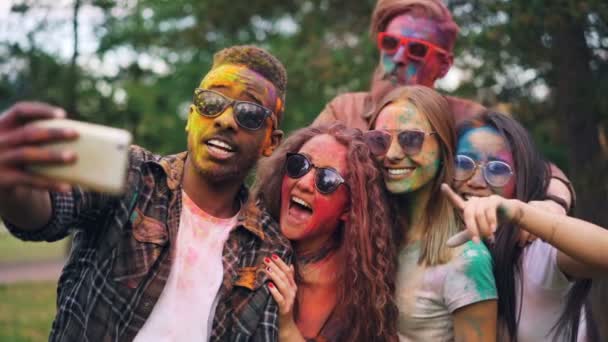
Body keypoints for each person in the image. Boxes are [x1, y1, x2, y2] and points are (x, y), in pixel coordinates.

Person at [0, 45, 292, 341]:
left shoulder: (269, 249)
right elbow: (45, 212)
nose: (225, 120)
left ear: (271, 142)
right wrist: (12, 189)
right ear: (191, 117)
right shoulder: (131, 174)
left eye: (250, 113)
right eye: (211, 101)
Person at [313, 0, 574, 216]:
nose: (400, 58)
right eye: (391, 44)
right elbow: (297, 168)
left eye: (416, 49)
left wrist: (553, 204)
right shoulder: (343, 110)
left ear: (444, 66)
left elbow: (541, 171)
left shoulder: (467, 118)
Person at [442, 111, 607, 341]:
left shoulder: (535, 251)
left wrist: (519, 213)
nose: (476, 181)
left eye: (498, 169)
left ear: (521, 179)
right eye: (463, 163)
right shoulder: (435, 246)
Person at [365, 85, 497, 341]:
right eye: (379, 140)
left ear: (443, 148)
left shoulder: (467, 259)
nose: (391, 154)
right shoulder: (371, 239)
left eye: (411, 139)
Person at [252, 123, 399, 341]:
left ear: (349, 208)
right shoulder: (248, 239)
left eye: (326, 180)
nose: (303, 183)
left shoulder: (359, 292)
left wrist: (286, 326)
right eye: (299, 165)